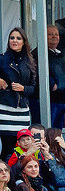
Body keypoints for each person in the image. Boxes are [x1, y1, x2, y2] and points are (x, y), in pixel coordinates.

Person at [0, 28, 36, 160]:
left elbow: (34, 88)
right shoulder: (2, 59)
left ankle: (17, 177)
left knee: (21, 147)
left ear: (24, 42)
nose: (14, 41)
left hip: (22, 109)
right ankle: (5, 177)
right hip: (5, 106)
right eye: (12, 38)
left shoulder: (30, 61)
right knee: (7, 146)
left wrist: (23, 88)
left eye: (18, 38)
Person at [30, 26, 65, 130]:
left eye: (56, 34)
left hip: (61, 98)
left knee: (57, 133)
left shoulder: (61, 53)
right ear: (43, 36)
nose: (54, 36)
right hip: (47, 101)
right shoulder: (38, 53)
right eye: (50, 34)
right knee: (46, 132)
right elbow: (36, 72)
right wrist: (52, 84)